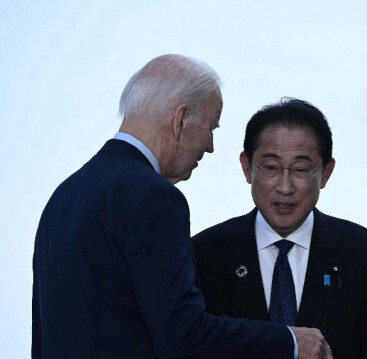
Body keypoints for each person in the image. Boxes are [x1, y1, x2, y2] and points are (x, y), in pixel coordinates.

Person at [32, 54, 332, 359]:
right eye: (211, 127)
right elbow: (182, 334)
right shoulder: (154, 197)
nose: (210, 146)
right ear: (180, 120)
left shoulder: (63, 198)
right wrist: (290, 342)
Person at [192, 98, 367, 358]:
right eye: (270, 168)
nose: (285, 187)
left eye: (302, 170)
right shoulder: (206, 253)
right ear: (247, 168)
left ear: (326, 172)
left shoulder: (364, 253)